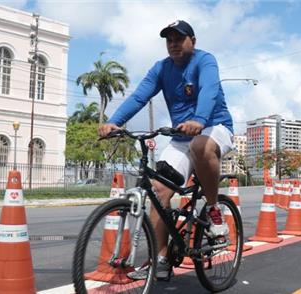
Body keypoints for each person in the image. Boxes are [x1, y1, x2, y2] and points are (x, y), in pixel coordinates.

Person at [98, 20, 234, 281]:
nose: (173, 44)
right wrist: (115, 122)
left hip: (214, 127)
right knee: (159, 190)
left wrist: (200, 119)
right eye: (169, 40)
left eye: (179, 38)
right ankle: (160, 259)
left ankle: (214, 208)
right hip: (180, 136)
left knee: (200, 145)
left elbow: (210, 90)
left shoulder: (205, 61)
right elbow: (139, 97)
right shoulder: (161, 69)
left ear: (192, 40)